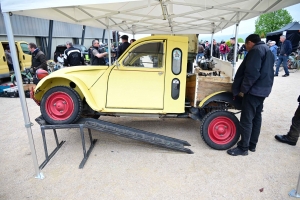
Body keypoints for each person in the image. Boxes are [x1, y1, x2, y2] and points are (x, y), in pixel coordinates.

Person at [227, 34, 275, 156]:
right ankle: (252, 144)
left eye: (246, 45)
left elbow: (252, 73)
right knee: (256, 117)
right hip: (263, 90)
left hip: (254, 90)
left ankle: (243, 148)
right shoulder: (267, 49)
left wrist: (244, 89)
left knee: (246, 119)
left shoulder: (255, 50)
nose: (246, 48)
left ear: (249, 42)